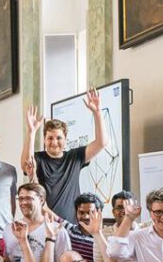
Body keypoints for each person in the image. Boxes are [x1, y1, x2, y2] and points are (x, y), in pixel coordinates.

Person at [22, 91, 106, 223]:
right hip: (45, 224)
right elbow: (26, 165)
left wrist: (97, 113)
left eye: (59, 138)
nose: (54, 142)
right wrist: (31, 132)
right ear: (44, 140)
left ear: (65, 139)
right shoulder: (39, 158)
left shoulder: (75, 157)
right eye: (50, 138)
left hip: (71, 226)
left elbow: (101, 143)